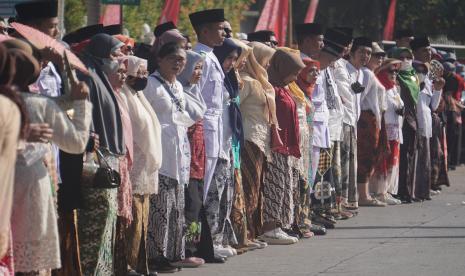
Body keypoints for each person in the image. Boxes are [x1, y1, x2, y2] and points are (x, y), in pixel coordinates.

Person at [7, 44, 92, 275]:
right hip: (31, 185)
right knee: (30, 263)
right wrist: (81, 103)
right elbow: (75, 142)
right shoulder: (37, 104)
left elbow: (57, 104)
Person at [76, 33, 126, 276]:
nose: (120, 59)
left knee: (107, 221)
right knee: (96, 222)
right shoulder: (87, 74)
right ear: (102, 54)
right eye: (116, 54)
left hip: (106, 156)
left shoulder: (100, 76)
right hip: (95, 158)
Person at [144, 42, 195, 272]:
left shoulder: (178, 87)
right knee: (161, 208)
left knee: (176, 207)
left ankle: (176, 252)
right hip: (161, 154)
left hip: (179, 153)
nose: (178, 63)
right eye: (173, 58)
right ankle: (157, 255)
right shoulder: (150, 85)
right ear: (160, 60)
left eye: (181, 60)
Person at [189, 8, 231, 260]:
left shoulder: (212, 56)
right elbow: (197, 98)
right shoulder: (199, 57)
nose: (224, 33)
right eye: (218, 28)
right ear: (204, 31)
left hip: (216, 128)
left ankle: (207, 242)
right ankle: (200, 244)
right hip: (204, 128)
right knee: (203, 189)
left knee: (210, 189)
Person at [260, 48, 305, 244]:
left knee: (285, 185)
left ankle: (280, 224)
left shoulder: (284, 88)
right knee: (275, 186)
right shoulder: (270, 88)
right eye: (293, 72)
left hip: (286, 146)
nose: (295, 77)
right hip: (275, 145)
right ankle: (270, 228)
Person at [122, 56, 162, 276]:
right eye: (138, 73)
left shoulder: (138, 95)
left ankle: (140, 266)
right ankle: (127, 266)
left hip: (146, 168)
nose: (142, 77)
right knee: (133, 220)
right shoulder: (124, 96)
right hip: (135, 167)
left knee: (143, 220)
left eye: (145, 73)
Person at [239, 41, 277, 244]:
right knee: (248, 187)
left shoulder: (259, 81)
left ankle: (252, 231)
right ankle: (244, 233)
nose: (268, 65)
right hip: (249, 139)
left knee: (256, 187)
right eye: (266, 61)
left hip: (260, 139)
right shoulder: (247, 81)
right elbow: (234, 107)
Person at [177, 50, 209, 265]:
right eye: (194, 68)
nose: (198, 73)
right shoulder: (178, 91)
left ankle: (193, 246)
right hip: (184, 156)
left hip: (197, 156)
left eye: (200, 68)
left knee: (196, 203)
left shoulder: (193, 91)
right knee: (189, 204)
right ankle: (185, 249)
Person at [332, 37, 372, 210]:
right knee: (341, 165)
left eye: (369, 53)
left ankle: (348, 201)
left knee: (351, 163)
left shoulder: (362, 73)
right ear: (352, 52)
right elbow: (342, 94)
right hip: (342, 121)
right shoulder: (342, 66)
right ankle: (339, 203)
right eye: (362, 51)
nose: (365, 56)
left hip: (352, 121)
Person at [411, 36, 445, 200]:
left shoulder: (429, 74)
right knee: (415, 158)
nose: (429, 53)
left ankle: (423, 190)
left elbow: (433, 105)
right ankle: (413, 191)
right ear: (415, 52)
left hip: (427, 120)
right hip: (414, 120)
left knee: (425, 157)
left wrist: (438, 89)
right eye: (425, 50)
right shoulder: (411, 70)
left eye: (430, 50)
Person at [356, 42, 387, 207]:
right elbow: (359, 98)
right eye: (376, 55)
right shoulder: (366, 74)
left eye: (382, 55)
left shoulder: (372, 74)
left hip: (374, 118)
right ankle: (363, 195)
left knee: (372, 155)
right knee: (365, 156)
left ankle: (365, 193)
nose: (379, 58)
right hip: (366, 119)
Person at [369, 58, 404, 205]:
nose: (394, 73)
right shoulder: (380, 87)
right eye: (391, 70)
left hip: (395, 130)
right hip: (384, 129)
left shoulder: (395, 89)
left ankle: (387, 190)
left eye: (396, 71)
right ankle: (379, 191)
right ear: (383, 72)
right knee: (382, 161)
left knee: (393, 161)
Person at [390, 47, 419, 203]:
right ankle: (400, 191)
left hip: (412, 119)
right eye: (402, 57)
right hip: (400, 120)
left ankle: (408, 191)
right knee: (400, 158)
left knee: (410, 155)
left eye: (409, 57)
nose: (406, 61)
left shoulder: (413, 76)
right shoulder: (394, 76)